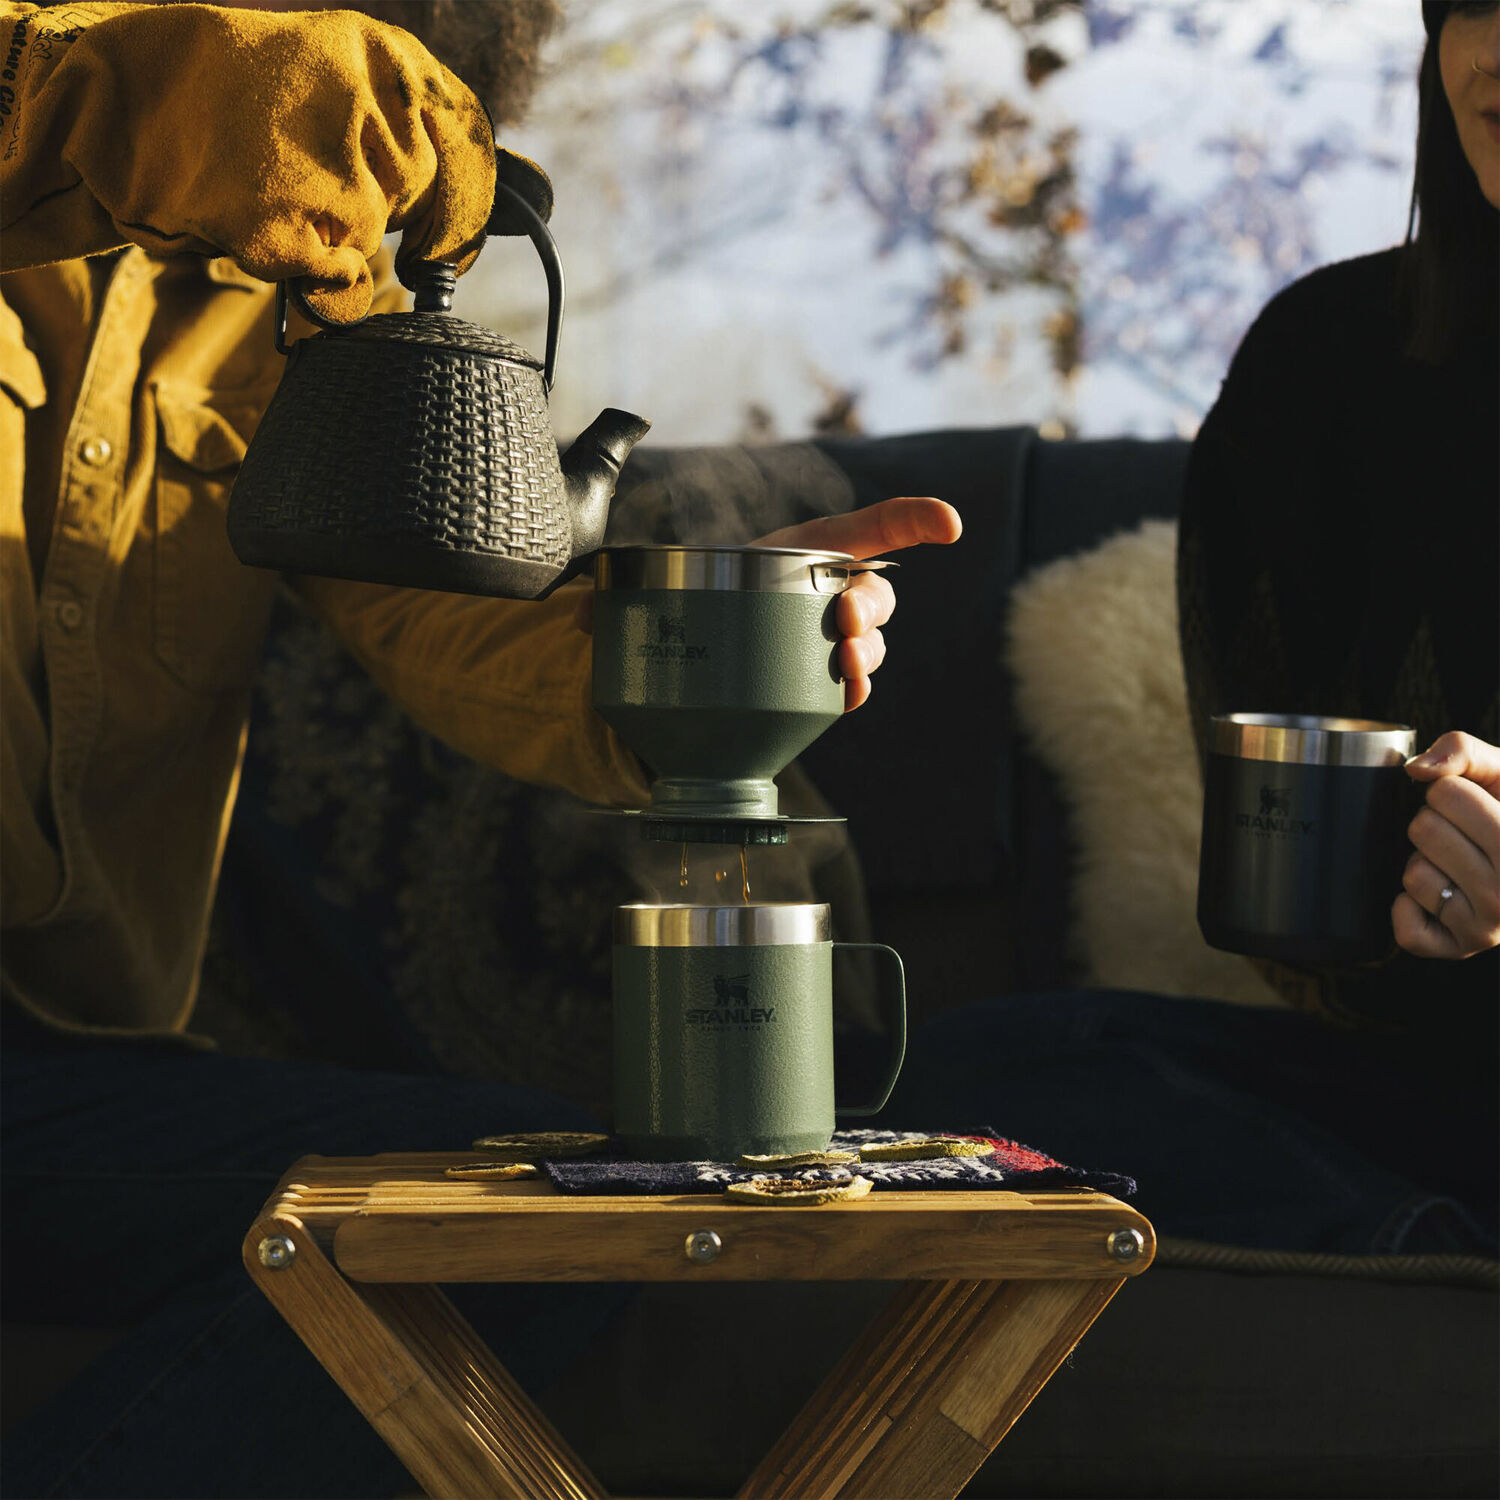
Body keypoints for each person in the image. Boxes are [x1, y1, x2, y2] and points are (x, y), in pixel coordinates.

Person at [0, 3, 961, 1494]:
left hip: (73, 1067)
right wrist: (135, 92)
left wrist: (703, 647)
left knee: (554, 1213)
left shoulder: (286, 298)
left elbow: (442, 612)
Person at [888, 0, 1498, 1257]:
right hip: (1427, 1103)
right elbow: (1299, 897)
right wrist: (1417, 887)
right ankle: (1418, 1251)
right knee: (957, 1081)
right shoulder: (1328, 367)